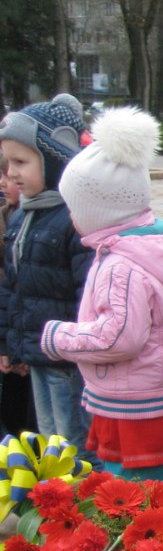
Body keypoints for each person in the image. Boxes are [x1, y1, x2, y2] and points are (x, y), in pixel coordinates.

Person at [41, 108, 163, 486]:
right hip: (150, 393)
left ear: (102, 210)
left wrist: (59, 337)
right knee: (155, 484)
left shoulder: (122, 265)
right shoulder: (145, 247)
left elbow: (119, 336)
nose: (73, 218)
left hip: (137, 403)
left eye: (75, 209)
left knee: (136, 491)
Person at [0, 94, 95, 458]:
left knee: (74, 439)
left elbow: (86, 292)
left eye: (21, 162)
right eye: (8, 163)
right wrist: (10, 343)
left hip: (68, 357)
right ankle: (58, 502)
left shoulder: (74, 218)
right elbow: (13, 285)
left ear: (55, 160)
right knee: (49, 435)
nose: (11, 173)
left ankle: (83, 502)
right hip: (37, 350)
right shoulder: (24, 215)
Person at [0, 151, 38, 437]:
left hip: (30, 337)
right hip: (11, 332)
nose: (5, 180)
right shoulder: (8, 219)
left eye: (11, 172)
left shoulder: (31, 219)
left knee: (31, 419)